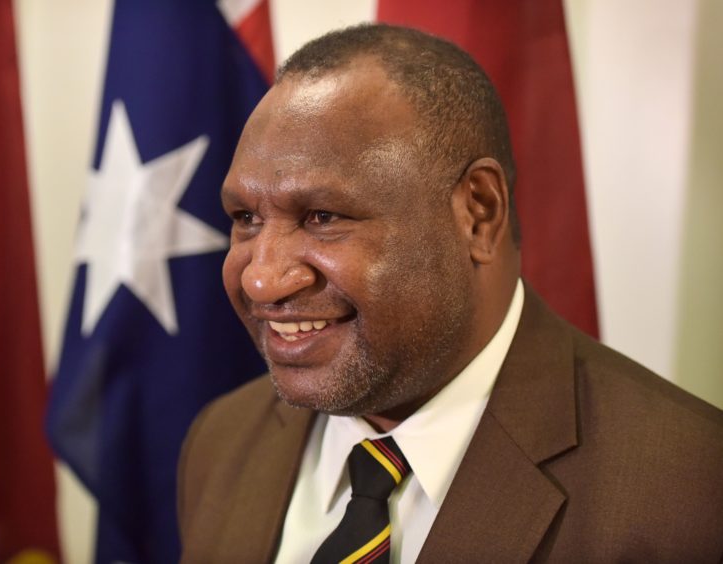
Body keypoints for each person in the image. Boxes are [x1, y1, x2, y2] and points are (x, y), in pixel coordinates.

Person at [177, 24, 723, 563]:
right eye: (245, 218)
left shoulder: (690, 491)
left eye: (323, 217)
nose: (260, 278)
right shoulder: (220, 442)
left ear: (478, 214)